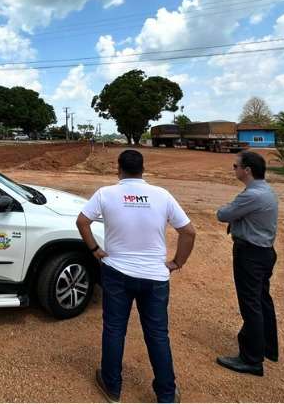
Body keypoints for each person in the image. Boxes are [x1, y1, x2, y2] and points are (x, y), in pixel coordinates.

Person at [76, 150, 196, 403]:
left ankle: (112, 386)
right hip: (155, 276)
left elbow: (82, 222)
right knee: (157, 334)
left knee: (114, 329)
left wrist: (95, 250)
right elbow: (189, 232)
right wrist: (176, 263)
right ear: (143, 169)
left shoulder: (105, 193)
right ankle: (165, 394)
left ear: (118, 168)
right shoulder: (162, 195)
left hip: (116, 272)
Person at [216, 151, 279, 377]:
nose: (234, 169)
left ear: (247, 170)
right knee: (262, 300)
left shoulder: (252, 195)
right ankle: (268, 347)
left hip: (250, 254)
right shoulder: (265, 190)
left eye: (236, 166)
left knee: (250, 304)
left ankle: (252, 359)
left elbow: (223, 214)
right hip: (264, 252)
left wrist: (232, 213)